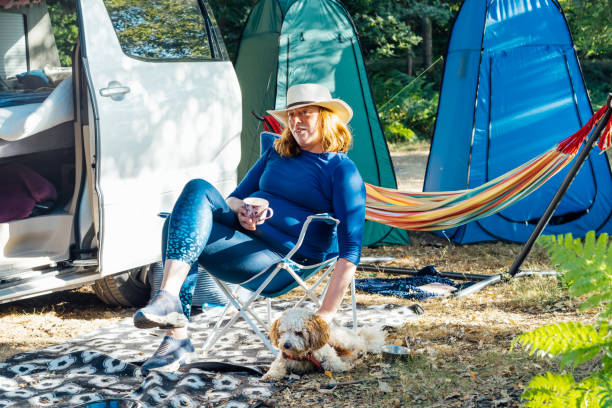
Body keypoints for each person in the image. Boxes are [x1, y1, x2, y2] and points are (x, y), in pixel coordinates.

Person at [132, 83, 366, 372]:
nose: (295, 121)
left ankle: (176, 336)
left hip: (282, 260)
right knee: (196, 192)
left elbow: (351, 249)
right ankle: (170, 307)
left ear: (326, 117)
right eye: (291, 114)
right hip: (246, 237)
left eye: (305, 112)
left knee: (176, 225)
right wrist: (243, 211)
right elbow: (233, 199)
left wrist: (325, 316)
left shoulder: (340, 169)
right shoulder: (276, 154)